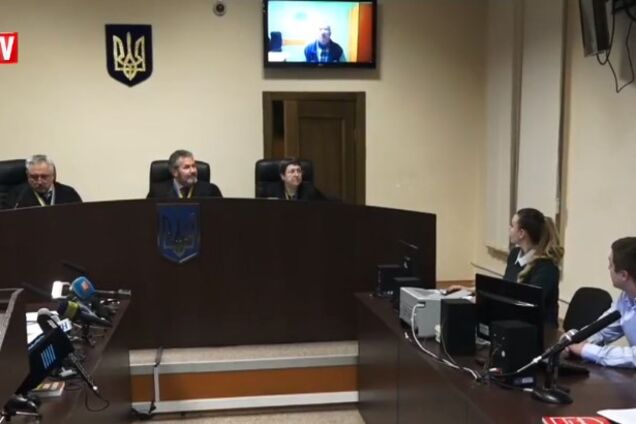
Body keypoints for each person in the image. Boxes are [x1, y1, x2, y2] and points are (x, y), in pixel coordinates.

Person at [447, 208, 563, 327]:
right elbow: (506, 288)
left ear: (521, 233)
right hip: (513, 323)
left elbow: (525, 305)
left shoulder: (547, 268)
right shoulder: (514, 254)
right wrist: (471, 290)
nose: (509, 228)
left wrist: (485, 302)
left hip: (538, 330)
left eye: (512, 226)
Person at [566, 237, 636, 368]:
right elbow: (603, 329)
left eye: (611, 264)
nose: (608, 268)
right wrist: (577, 337)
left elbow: (634, 357)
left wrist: (586, 350)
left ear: (623, 275)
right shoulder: (626, 298)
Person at [5, 155, 82, 209]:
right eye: (34, 177)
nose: (39, 181)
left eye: (44, 176)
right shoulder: (17, 195)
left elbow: (81, 218)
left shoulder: (69, 193)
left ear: (53, 175)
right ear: (27, 175)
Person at [147, 150, 223, 199]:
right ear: (174, 172)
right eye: (186, 167)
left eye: (194, 166)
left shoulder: (211, 191)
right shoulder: (157, 192)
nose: (193, 171)